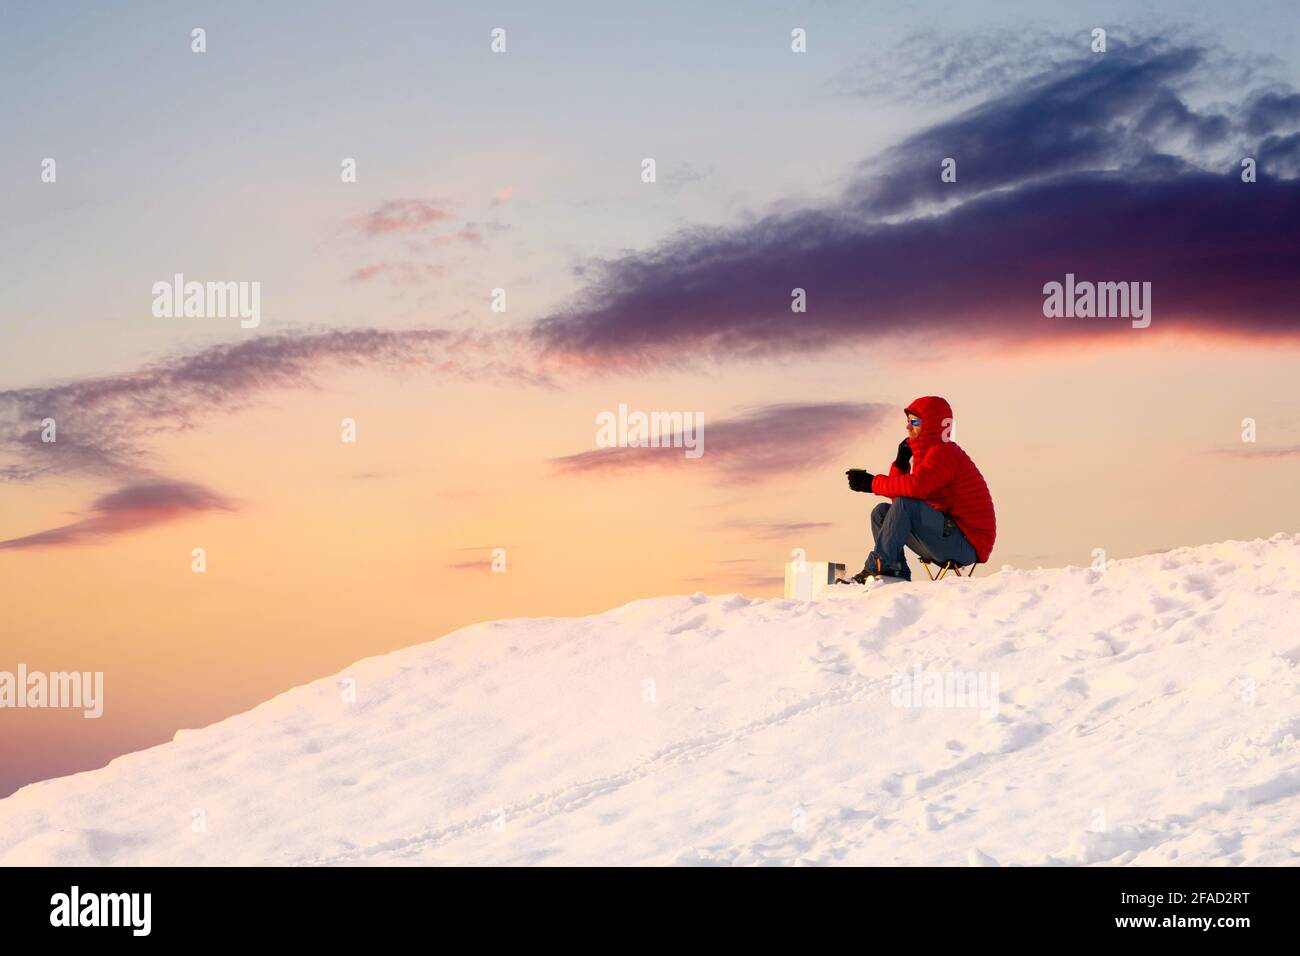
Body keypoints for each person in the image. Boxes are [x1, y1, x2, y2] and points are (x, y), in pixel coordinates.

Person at [842, 395, 996, 583]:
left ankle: (877, 567)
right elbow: (899, 507)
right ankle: (893, 572)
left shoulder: (945, 453)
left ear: (932, 424)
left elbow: (914, 489)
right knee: (881, 512)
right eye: (908, 421)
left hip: (966, 543)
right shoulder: (930, 456)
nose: (908, 427)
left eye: (914, 421)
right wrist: (900, 464)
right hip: (948, 534)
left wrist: (872, 483)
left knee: (906, 502)